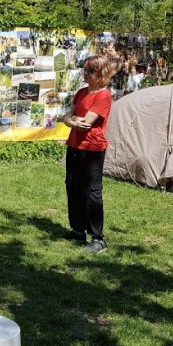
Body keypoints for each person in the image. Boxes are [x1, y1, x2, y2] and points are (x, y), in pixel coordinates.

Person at [62, 55, 114, 254]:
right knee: (72, 186)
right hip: (74, 145)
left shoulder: (103, 95)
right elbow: (69, 116)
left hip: (92, 149)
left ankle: (98, 238)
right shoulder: (82, 92)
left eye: (90, 71)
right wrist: (73, 120)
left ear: (101, 74)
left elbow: (86, 123)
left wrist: (72, 121)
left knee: (91, 192)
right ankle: (78, 230)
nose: (86, 74)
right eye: (85, 70)